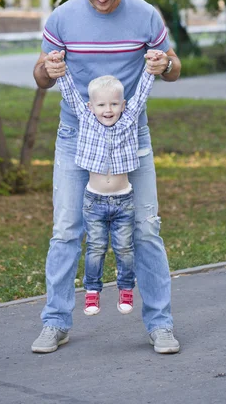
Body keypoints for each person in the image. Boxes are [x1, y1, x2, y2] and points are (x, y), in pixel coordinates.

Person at [32, 0, 181, 355]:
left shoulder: (145, 14)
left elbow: (173, 66)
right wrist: (48, 68)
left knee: (147, 229)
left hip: (133, 139)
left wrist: (164, 65)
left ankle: (160, 325)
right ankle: (55, 322)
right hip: (75, 138)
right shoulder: (62, 16)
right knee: (66, 230)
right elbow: (40, 76)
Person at [50, 49, 162, 316]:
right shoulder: (86, 119)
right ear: (91, 107)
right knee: (96, 249)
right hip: (94, 202)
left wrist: (150, 67)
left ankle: (125, 287)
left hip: (124, 200)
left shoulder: (128, 120)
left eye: (114, 104)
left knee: (125, 248)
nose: (108, 110)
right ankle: (92, 292)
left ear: (123, 105)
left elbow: (143, 92)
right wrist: (59, 66)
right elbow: (69, 93)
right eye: (101, 105)